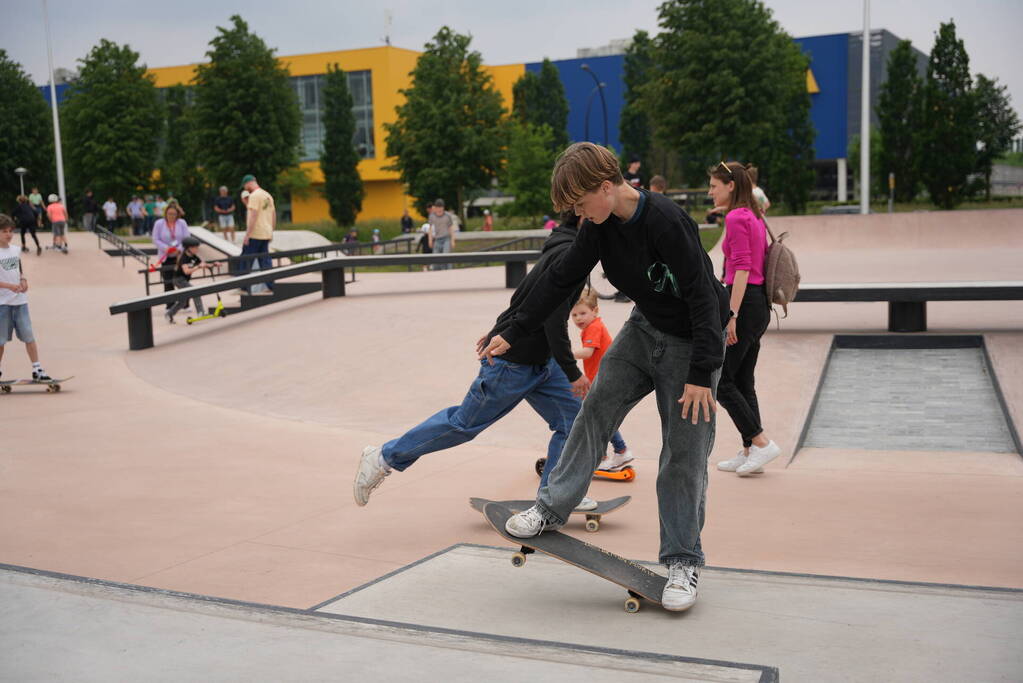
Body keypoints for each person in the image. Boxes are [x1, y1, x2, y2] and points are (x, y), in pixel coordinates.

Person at [479, 142, 730, 612]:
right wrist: (511, 329)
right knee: (594, 410)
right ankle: (552, 507)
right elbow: (560, 278)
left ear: (605, 186)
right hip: (643, 330)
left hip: (693, 343)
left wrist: (701, 371)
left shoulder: (666, 221)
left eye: (580, 203)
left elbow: (701, 295)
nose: (578, 214)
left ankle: (682, 561)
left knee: (683, 452)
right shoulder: (597, 227)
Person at [354, 211, 598, 510]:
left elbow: (527, 293)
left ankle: (556, 495)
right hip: (513, 364)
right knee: (462, 424)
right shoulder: (566, 253)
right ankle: (383, 457)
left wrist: (503, 326)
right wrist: (572, 371)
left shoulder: (567, 244)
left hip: (543, 362)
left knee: (573, 422)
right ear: (583, 216)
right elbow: (552, 316)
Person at [709, 162, 781, 477]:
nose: (710, 192)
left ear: (730, 185)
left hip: (744, 304)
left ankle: (761, 442)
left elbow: (741, 269)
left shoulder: (737, 218)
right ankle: (752, 451)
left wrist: (732, 315)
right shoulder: (754, 214)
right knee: (742, 381)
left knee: (722, 381)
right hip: (759, 304)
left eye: (714, 186)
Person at [570, 288, 634, 471]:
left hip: (601, 381)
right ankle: (620, 451)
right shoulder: (593, 326)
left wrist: (565, 355)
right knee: (600, 418)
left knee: (595, 419)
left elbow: (587, 352)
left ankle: (605, 456)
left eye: (583, 313)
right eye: (574, 315)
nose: (578, 318)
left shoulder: (593, 328)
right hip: (601, 379)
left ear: (595, 311)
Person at [0, 214, 53, 383]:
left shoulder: (15, 250)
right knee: (1, 341)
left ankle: (37, 369)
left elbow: (18, 270)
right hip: (2, 304)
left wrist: (23, 280)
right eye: (4, 231)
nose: (9, 234)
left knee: (29, 336)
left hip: (20, 302)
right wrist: (9, 286)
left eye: (10, 231)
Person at [164, 237, 216, 324]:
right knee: (196, 292)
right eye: (196, 248)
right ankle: (200, 313)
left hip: (183, 280)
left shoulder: (194, 257)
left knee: (183, 301)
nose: (197, 249)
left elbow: (203, 264)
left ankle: (169, 314)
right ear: (189, 248)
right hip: (178, 280)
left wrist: (214, 264)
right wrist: (198, 267)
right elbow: (186, 271)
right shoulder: (183, 258)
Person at [240, 174, 275, 293]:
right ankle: (271, 286)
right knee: (265, 261)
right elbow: (273, 215)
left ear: (248, 183)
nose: (245, 189)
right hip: (266, 233)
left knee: (246, 260)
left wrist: (247, 235)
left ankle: (243, 287)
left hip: (255, 233)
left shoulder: (254, 196)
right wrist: (271, 231)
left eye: (245, 186)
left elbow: (253, 216)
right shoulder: (267, 195)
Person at [152, 204, 190, 302]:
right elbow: (155, 239)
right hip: (166, 257)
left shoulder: (182, 223)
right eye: (169, 214)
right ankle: (170, 304)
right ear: (165, 213)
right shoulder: (159, 223)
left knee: (183, 281)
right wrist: (166, 248)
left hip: (180, 257)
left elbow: (187, 238)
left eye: (174, 214)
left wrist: (179, 249)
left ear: (177, 214)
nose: (171, 216)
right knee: (168, 281)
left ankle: (185, 303)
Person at [428, 199, 455, 269]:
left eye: (441, 208)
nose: (439, 210)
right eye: (438, 208)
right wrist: (430, 240)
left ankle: (448, 270)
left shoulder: (447, 216)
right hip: (437, 239)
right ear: (435, 208)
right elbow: (430, 229)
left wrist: (452, 240)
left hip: (446, 239)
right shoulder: (432, 216)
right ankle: (436, 271)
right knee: (436, 257)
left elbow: (451, 228)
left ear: (443, 208)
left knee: (446, 256)